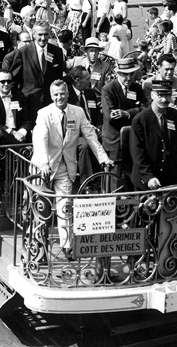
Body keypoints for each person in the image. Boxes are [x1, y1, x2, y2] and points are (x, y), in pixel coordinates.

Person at [31, 80, 113, 257]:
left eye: (62, 93)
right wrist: (44, 162)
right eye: (56, 94)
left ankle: (67, 247)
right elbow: (40, 139)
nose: (59, 97)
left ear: (68, 93)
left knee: (65, 207)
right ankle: (37, 247)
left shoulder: (78, 112)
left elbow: (91, 136)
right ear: (52, 96)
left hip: (65, 166)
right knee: (40, 207)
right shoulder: (44, 113)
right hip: (43, 166)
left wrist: (104, 158)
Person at [130, 80, 177, 190]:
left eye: (167, 95)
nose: (164, 99)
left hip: (169, 178)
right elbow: (137, 152)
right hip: (147, 180)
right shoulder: (140, 120)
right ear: (152, 95)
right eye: (160, 95)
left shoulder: (173, 115)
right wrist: (148, 177)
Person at [8, 21, 65, 117]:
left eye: (46, 34)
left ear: (50, 34)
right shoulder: (22, 52)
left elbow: (59, 77)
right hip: (29, 101)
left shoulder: (57, 51)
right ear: (33, 35)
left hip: (50, 102)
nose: (43, 38)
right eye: (40, 34)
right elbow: (15, 79)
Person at [100, 57, 144, 163]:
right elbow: (111, 117)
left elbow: (144, 109)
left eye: (131, 74)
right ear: (118, 73)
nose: (129, 78)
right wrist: (135, 112)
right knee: (114, 174)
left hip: (132, 137)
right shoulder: (108, 89)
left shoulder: (136, 88)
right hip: (113, 139)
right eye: (125, 74)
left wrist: (126, 113)